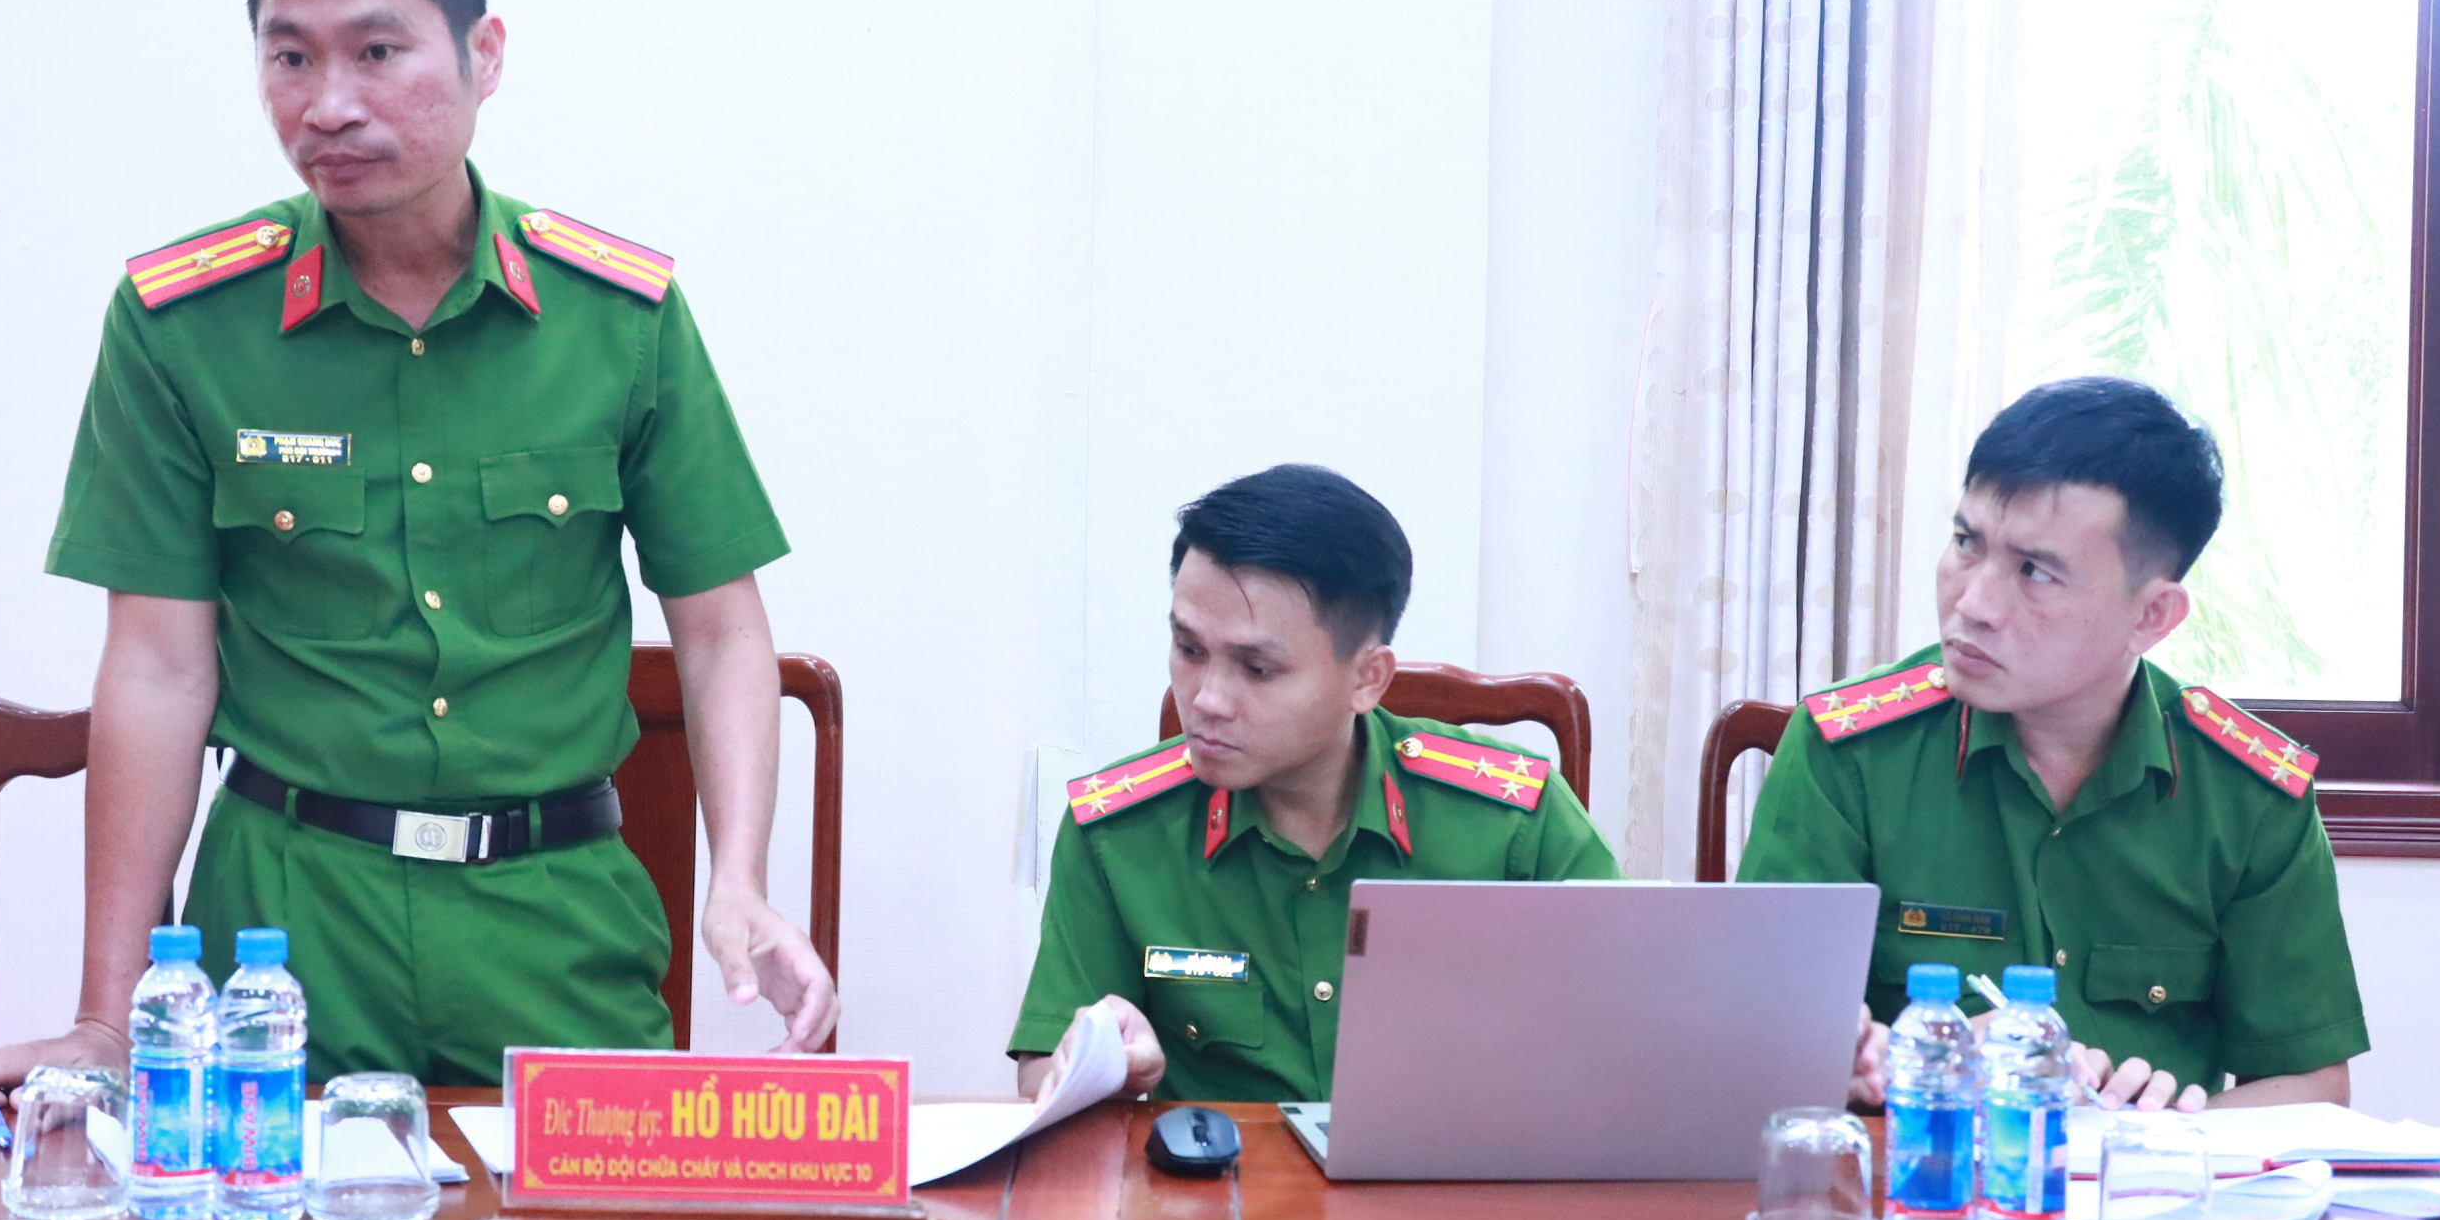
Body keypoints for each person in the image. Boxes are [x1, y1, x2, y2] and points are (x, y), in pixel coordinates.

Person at [0, 0, 834, 1105]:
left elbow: (724, 630)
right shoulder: (183, 324)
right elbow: (156, 669)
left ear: (483, 54)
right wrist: (107, 1017)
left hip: (553, 917)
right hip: (285, 927)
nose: (328, 105)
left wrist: (739, 881)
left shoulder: (619, 320)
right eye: (289, 57)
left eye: (376, 52)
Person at [1739, 377, 2368, 1113]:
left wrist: (2162, 1136)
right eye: (1966, 543)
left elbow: (2312, 1089)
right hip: (1923, 1172)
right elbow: (1754, 1048)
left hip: (2143, 1181)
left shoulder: (2247, 795)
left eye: (2035, 572)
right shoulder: (1848, 753)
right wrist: (1921, 1060)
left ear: (2152, 616)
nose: (1973, 603)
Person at [1009, 465, 1622, 1103]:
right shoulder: (1117, 834)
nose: (1208, 700)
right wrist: (1099, 1066)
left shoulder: (1513, 821)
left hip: (1455, 1165)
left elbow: (1634, 1035)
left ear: (1367, 678)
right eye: (1189, 651)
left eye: (1257, 668)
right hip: (1223, 1168)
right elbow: (1039, 1076)